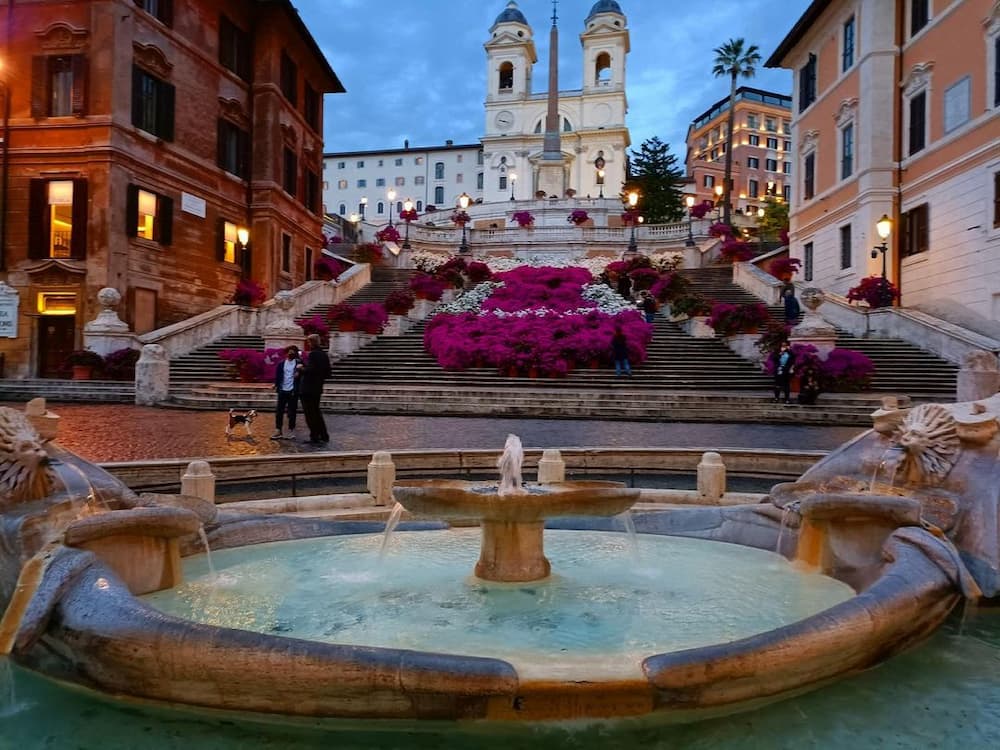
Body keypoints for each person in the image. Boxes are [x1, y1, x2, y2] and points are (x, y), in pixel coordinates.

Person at [298, 334, 331, 444]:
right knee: (316, 412)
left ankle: (314, 436)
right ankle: (324, 435)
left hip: (308, 388)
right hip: (318, 387)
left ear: (311, 342)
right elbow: (328, 373)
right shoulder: (324, 354)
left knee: (310, 413)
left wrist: (302, 368)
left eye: (308, 342)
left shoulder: (313, 354)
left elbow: (311, 370)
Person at [270, 345, 301, 439]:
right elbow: (278, 375)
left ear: (295, 353)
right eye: (289, 352)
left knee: (292, 412)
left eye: (292, 352)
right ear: (286, 353)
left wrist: (299, 372)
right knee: (279, 411)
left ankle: (291, 430)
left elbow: (304, 374)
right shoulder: (281, 364)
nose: (290, 354)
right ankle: (278, 430)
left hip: (293, 390)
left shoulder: (299, 363)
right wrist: (275, 384)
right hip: (282, 390)